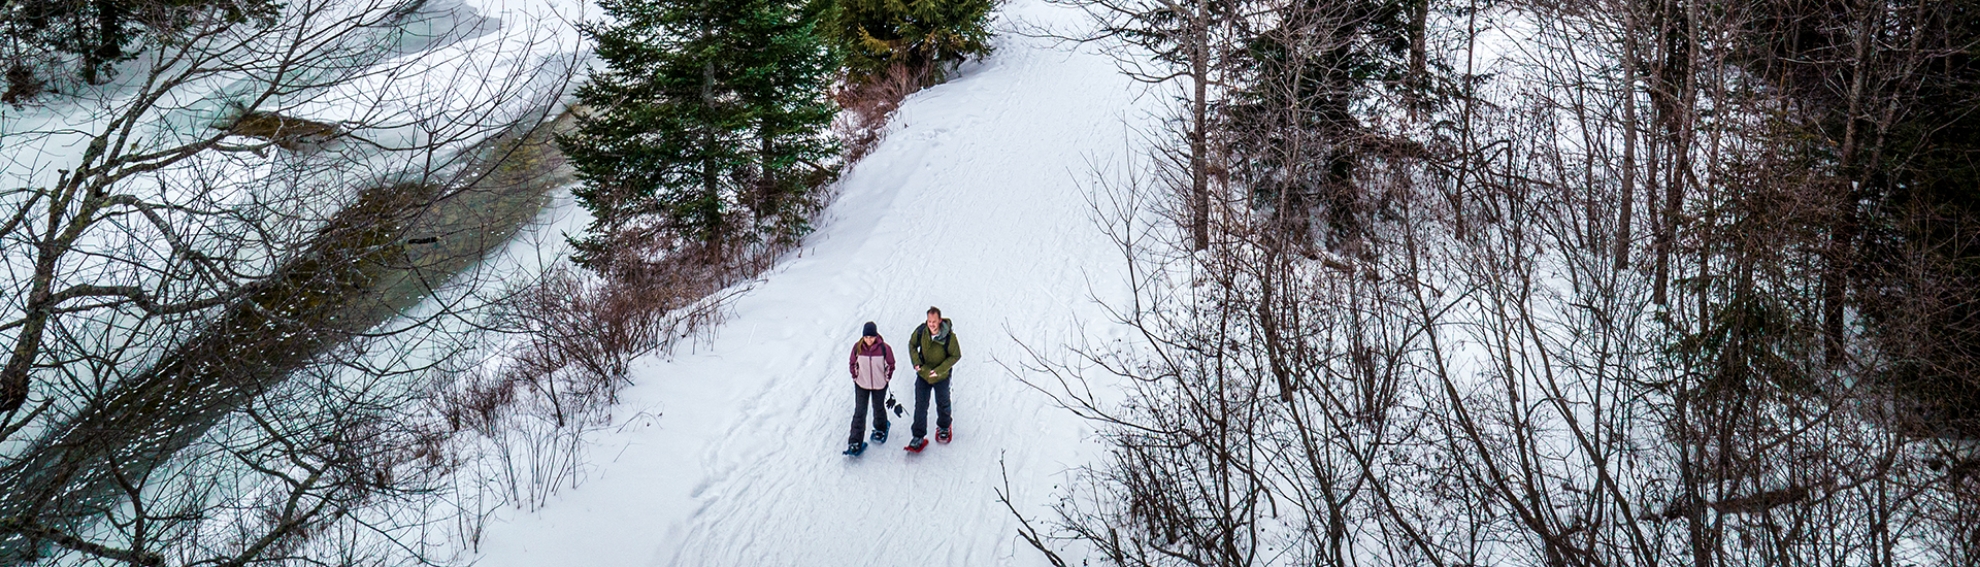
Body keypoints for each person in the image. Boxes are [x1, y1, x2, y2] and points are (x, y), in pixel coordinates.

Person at [905, 306, 960, 452]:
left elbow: (956, 355)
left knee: (943, 403)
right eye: (929, 321)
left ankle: (944, 426)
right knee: (920, 405)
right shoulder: (921, 331)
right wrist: (916, 362)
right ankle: (918, 436)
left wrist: (940, 370)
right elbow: (911, 345)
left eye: (934, 322)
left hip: (941, 376)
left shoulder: (949, 337)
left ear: (940, 321)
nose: (931, 325)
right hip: (924, 374)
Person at [846, 322, 894, 455]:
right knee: (860, 411)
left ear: (876, 336)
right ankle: (855, 441)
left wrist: (886, 378)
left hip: (879, 384)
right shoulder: (858, 347)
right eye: (866, 337)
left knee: (878, 407)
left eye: (871, 337)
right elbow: (852, 363)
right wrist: (856, 377)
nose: (869, 340)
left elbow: (891, 364)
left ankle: (881, 428)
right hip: (862, 384)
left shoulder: (884, 348)